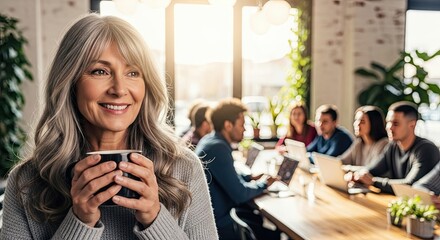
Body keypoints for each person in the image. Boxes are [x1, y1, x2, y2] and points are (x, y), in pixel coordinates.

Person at [0, 14, 217, 239]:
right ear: (69, 82)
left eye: (133, 72)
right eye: (100, 71)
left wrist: (155, 219)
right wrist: (80, 222)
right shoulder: (27, 182)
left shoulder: (183, 169)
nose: (119, 89)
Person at [194, 98, 280, 240]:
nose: (245, 129)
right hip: (220, 224)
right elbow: (240, 194)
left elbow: (224, 176)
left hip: (218, 214)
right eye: (242, 124)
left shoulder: (209, 140)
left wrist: (249, 178)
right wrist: (264, 183)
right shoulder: (218, 148)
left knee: (256, 219)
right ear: (228, 125)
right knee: (274, 235)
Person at [351, 101, 439, 194]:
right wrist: (358, 175)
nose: (389, 127)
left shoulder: (426, 149)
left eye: (395, 124)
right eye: (388, 122)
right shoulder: (393, 146)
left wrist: (373, 181)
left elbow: (410, 186)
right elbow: (372, 169)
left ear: (412, 125)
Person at [340, 106, 389, 170]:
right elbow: (341, 161)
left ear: (374, 123)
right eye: (356, 120)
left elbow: (372, 170)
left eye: (362, 121)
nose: (357, 124)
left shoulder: (383, 144)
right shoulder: (359, 143)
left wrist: (347, 168)